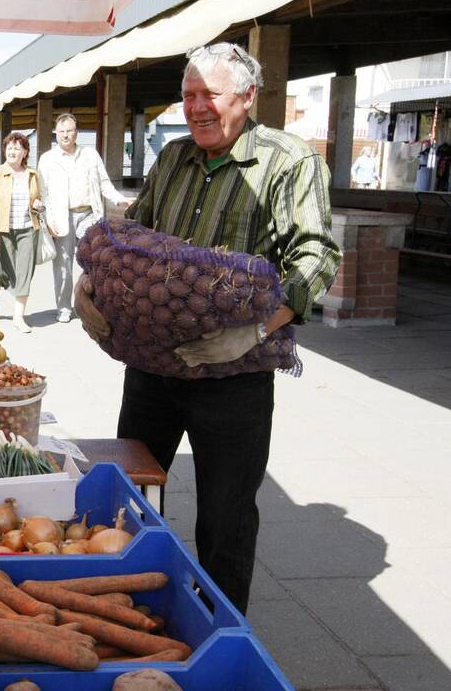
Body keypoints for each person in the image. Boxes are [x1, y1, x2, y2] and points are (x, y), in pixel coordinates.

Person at [75, 43, 340, 613]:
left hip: (234, 379)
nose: (196, 107)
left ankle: (219, 626)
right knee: (133, 494)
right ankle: (129, 603)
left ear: (246, 97)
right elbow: (132, 240)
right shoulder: (172, 158)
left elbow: (317, 257)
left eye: (210, 95)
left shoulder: (289, 162)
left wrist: (255, 331)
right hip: (153, 369)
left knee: (225, 518)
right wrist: (89, 284)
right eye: (189, 94)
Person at [38, 113, 130, 324]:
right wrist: (48, 221)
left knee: (94, 260)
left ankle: (90, 303)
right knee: (63, 264)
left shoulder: (90, 155)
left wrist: (119, 199)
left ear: (76, 132)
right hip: (62, 217)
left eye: (69, 131)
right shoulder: (48, 159)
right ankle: (63, 307)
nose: (65, 135)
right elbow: (43, 194)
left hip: (89, 214)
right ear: (56, 133)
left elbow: (104, 183)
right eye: (61, 132)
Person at [0, 132, 42, 333]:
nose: (12, 151)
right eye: (9, 147)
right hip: (1, 231)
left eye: (17, 148)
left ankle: (18, 317)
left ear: (25, 152)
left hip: (27, 231)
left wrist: (38, 205)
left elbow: (38, 199)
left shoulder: (33, 174)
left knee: (24, 274)